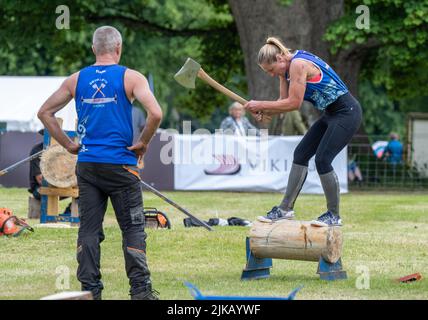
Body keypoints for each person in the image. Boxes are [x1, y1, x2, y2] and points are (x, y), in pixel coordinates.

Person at [37, 26, 163, 300]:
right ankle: (141, 293)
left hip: (89, 165)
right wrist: (143, 142)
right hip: (121, 165)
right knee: (132, 228)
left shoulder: (76, 79)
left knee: (89, 231)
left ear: (94, 49)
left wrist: (69, 144)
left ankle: (89, 292)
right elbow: (155, 113)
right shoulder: (131, 77)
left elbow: (45, 113)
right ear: (119, 48)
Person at [245, 37, 362, 226]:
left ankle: (333, 215)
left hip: (346, 113)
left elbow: (294, 104)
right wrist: (265, 111)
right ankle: (285, 209)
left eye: (272, 70)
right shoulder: (287, 70)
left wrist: (260, 103)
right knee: (300, 154)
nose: (273, 75)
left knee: (323, 159)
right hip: (331, 114)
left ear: (281, 59)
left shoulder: (298, 64)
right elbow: (282, 102)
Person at [28, 129, 44, 201]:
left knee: (82, 192)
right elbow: (40, 180)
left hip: (62, 185)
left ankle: (69, 212)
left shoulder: (62, 149)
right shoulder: (37, 150)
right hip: (39, 187)